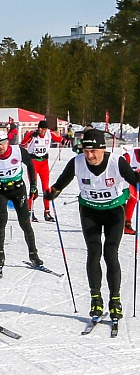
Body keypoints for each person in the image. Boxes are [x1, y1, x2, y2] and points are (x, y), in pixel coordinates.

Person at [45, 128, 138, 322]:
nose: (89, 155)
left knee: (111, 253)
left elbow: (134, 181)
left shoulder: (116, 162)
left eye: (93, 151)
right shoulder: (77, 162)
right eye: (86, 151)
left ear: (103, 149)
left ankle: (115, 300)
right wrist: (53, 192)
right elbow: (60, 183)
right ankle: (96, 299)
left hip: (114, 211)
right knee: (94, 252)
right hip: (89, 211)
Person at [0, 130, 43, 271]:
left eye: (3, 143)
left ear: (8, 142)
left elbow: (30, 166)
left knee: (24, 222)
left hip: (18, 189)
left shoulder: (19, 151)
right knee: (2, 220)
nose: (1, 147)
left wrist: (34, 186)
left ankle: (33, 254)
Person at [20, 120, 63, 222]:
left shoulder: (49, 133)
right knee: (33, 187)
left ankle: (47, 212)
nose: (41, 131)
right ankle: (30, 212)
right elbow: (22, 144)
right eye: (40, 129)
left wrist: (66, 140)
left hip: (44, 163)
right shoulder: (32, 134)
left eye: (43, 129)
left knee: (46, 189)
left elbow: (60, 139)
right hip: (33, 163)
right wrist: (30, 137)